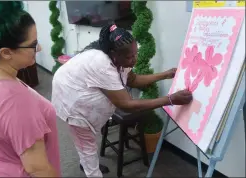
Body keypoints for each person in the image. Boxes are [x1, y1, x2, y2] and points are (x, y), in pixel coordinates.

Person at [51, 23, 193, 177]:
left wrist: (165, 74)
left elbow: (133, 80)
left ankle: (86, 161)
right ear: (114, 54)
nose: (134, 60)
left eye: (135, 54)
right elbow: (126, 104)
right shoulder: (102, 64)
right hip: (71, 100)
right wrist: (170, 99)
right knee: (86, 143)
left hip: (79, 89)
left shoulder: (120, 54)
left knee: (88, 139)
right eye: (129, 57)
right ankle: (90, 169)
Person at [0, 1, 61, 177]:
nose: (40, 48)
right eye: (33, 44)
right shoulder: (15, 101)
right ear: (6, 53)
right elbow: (37, 168)